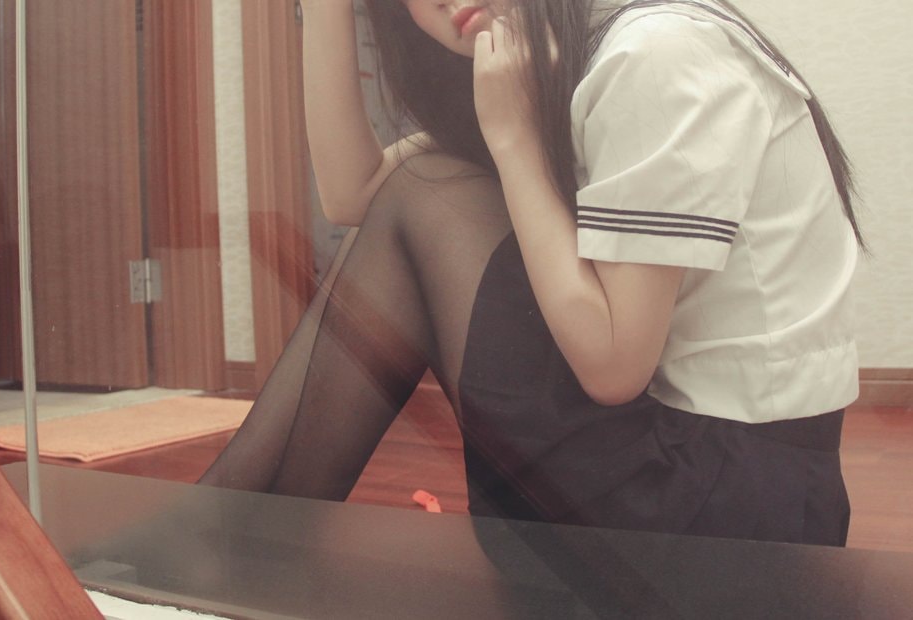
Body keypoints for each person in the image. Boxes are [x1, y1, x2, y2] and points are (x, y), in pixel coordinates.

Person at [199, 0, 862, 546]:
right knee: (421, 186)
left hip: (729, 515)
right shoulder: (557, 62)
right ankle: (223, 542)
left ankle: (218, 544)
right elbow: (354, 194)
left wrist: (514, 140)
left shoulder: (653, 51)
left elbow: (613, 368)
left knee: (424, 193)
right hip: (700, 473)